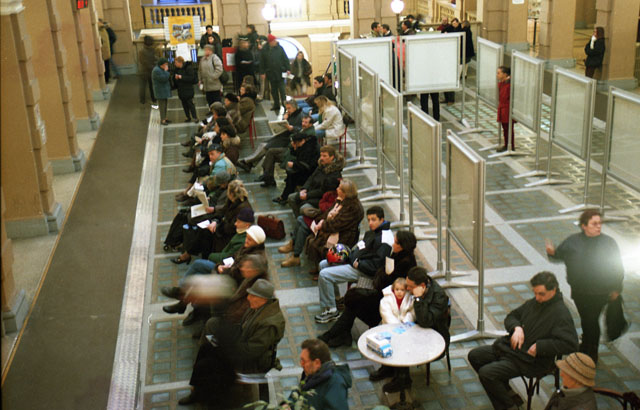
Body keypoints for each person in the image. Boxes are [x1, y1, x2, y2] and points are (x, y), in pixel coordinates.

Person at [468, 271, 579, 410]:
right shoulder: (535, 302)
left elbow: (571, 344)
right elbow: (512, 316)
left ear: (553, 290)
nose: (537, 298)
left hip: (531, 361)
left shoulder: (561, 314)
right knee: (475, 356)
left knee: (487, 374)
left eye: (541, 294)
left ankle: (508, 406)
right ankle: (507, 393)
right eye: (535, 293)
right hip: (512, 350)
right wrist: (517, 328)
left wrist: (540, 346)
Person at [178, 279, 285, 406]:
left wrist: (225, 347)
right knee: (205, 348)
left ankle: (204, 395)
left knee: (206, 364)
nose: (248, 298)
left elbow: (251, 351)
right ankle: (197, 390)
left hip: (253, 361)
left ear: (263, 299)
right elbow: (243, 327)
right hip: (243, 344)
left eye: (253, 296)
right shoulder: (259, 308)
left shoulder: (270, 324)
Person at [545, 209, 624, 363]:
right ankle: (587, 345)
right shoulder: (573, 242)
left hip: (600, 292)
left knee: (591, 320)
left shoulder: (608, 243)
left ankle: (591, 351)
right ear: (584, 226)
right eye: (594, 224)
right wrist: (551, 252)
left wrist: (616, 289)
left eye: (599, 223)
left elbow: (618, 268)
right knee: (587, 319)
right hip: (580, 292)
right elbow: (559, 255)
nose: (598, 226)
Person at [319, 231, 418, 347]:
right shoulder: (398, 255)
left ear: (402, 246)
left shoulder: (406, 263)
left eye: (396, 243)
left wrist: (382, 275)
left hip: (387, 296)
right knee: (353, 302)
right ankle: (340, 334)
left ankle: (335, 334)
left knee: (353, 301)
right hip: (380, 288)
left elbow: (389, 281)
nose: (393, 244)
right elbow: (384, 273)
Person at [314, 206, 392, 323]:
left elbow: (376, 266)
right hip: (355, 262)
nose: (370, 223)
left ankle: (331, 311)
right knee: (323, 264)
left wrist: (358, 264)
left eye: (373, 220)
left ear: (382, 219)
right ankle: (335, 300)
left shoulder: (384, 239)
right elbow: (362, 247)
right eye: (369, 220)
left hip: (363, 270)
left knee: (325, 275)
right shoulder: (375, 232)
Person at [380, 267, 450, 393]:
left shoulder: (438, 297)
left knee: (403, 342)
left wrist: (418, 299)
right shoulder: (419, 286)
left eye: (410, 287)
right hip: (417, 327)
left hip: (434, 335)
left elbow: (425, 322)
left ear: (422, 286)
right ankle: (390, 368)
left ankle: (403, 380)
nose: (407, 289)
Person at [298, 179, 364, 269]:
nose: (337, 189)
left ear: (344, 193)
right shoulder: (340, 200)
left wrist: (322, 225)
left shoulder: (353, 208)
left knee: (317, 244)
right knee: (308, 233)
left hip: (344, 235)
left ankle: (322, 267)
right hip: (333, 228)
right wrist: (321, 221)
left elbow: (338, 224)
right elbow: (328, 213)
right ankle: (318, 266)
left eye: (339, 188)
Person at [238, 99, 304, 176]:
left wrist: (292, 128)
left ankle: (247, 162)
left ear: (295, 107)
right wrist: (284, 119)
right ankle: (249, 163)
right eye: (286, 108)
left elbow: (301, 130)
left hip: (288, 140)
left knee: (265, 147)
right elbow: (285, 124)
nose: (287, 110)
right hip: (282, 136)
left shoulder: (300, 116)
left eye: (289, 108)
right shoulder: (290, 114)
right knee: (263, 144)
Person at [287, 145, 345, 218]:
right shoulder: (321, 166)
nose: (321, 158)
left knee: (303, 208)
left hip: (320, 198)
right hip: (311, 192)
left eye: (324, 156)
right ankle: (300, 218)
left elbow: (323, 191)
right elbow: (311, 178)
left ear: (332, 157)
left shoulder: (334, 174)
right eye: (321, 155)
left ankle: (306, 220)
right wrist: (304, 189)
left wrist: (307, 195)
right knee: (291, 197)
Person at [295, 339, 352, 410]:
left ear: (317, 363)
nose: (301, 364)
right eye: (301, 360)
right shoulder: (310, 373)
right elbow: (298, 393)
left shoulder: (335, 386)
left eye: (304, 361)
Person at [273, 130, 320, 204]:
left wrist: (294, 165)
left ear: (302, 141)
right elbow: (298, 155)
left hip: (310, 172)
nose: (294, 144)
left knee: (292, 176)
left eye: (295, 143)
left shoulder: (309, 149)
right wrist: (294, 147)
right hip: (306, 169)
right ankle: (285, 196)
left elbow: (306, 165)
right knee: (291, 175)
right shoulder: (306, 145)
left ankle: (284, 197)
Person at [261, 34, 290, 112]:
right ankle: (276, 104)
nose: (275, 42)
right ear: (270, 42)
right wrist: (262, 72)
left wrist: (288, 69)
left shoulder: (280, 48)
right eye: (273, 41)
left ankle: (285, 105)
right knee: (273, 91)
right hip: (270, 73)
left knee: (282, 91)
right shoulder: (265, 50)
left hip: (280, 73)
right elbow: (262, 62)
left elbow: (285, 59)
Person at [172, 56, 199, 123]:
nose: (175, 64)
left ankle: (195, 117)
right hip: (181, 90)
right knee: (184, 104)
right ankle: (188, 117)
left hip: (188, 89)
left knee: (190, 104)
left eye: (176, 63)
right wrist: (175, 78)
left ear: (180, 62)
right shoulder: (176, 70)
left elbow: (191, 78)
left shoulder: (188, 68)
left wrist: (181, 77)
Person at [496, 65, 515, 152]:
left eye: (499, 73)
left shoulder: (508, 85)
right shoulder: (503, 83)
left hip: (507, 110)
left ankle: (510, 145)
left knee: (508, 129)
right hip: (503, 109)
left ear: (505, 74)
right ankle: (507, 144)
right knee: (505, 128)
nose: (497, 75)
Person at [138, 35, 159, 106]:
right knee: (152, 86)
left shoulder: (141, 51)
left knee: (142, 86)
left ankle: (142, 100)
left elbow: (142, 61)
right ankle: (154, 99)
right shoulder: (153, 50)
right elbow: (155, 59)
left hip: (143, 71)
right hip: (151, 71)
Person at [152, 58, 172, 125]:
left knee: (165, 105)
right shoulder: (156, 70)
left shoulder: (160, 69)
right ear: (162, 64)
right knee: (162, 106)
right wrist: (166, 71)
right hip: (160, 91)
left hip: (163, 91)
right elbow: (163, 79)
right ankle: (163, 120)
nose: (166, 66)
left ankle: (165, 118)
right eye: (165, 64)